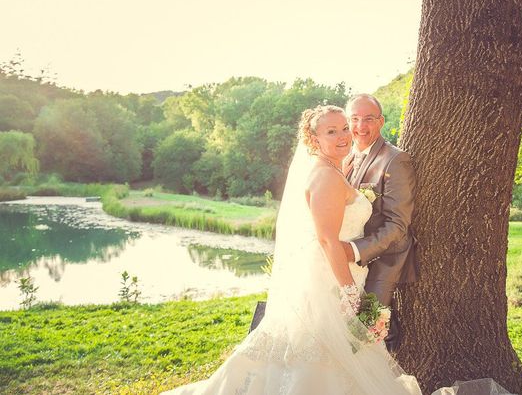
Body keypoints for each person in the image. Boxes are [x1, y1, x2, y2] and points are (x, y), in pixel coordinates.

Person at [160, 105, 422, 395]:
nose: (343, 136)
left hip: (342, 269)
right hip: (331, 278)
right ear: (314, 139)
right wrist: (349, 294)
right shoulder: (326, 177)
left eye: (344, 128)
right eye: (331, 131)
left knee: (325, 348)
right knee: (318, 347)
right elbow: (327, 240)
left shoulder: (335, 169)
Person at [341, 94, 417, 353]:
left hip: (385, 257)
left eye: (369, 119)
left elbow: (398, 225)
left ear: (381, 122)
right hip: (348, 255)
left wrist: (354, 251)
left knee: (363, 331)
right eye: (354, 119)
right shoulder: (344, 158)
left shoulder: (395, 160)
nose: (360, 126)